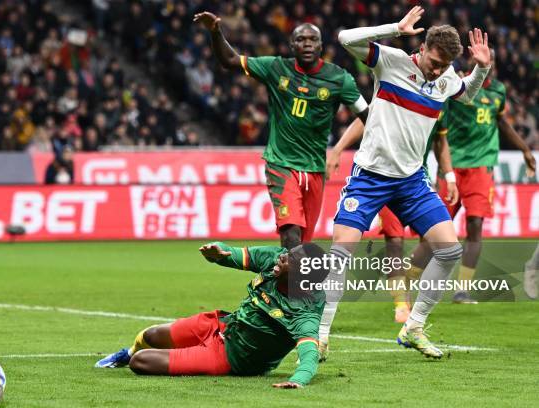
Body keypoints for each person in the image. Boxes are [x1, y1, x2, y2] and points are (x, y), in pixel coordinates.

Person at [319, 6, 492, 360]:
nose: (438, 70)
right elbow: (344, 38)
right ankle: (319, 337)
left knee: (449, 250)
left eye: (445, 65)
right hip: (369, 176)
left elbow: (468, 93)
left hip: (411, 180)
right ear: (423, 47)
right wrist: (394, 28)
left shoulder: (446, 79)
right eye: (434, 61)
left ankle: (413, 326)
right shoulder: (392, 61)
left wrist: (482, 68)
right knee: (341, 253)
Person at [194, 11, 369, 249]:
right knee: (291, 234)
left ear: (321, 46)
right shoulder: (276, 68)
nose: (307, 44)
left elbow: (367, 117)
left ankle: (280, 285)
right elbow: (230, 60)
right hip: (281, 164)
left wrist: (339, 150)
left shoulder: (339, 79)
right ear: (291, 45)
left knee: (301, 244)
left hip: (315, 169)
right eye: (300, 39)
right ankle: (299, 286)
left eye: (312, 39)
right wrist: (215, 32)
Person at [95, 242, 329, 389]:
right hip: (224, 324)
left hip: (231, 356)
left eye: (290, 259)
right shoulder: (274, 260)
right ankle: (125, 354)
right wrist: (216, 252)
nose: (282, 257)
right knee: (150, 335)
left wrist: (298, 380)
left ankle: (168, 356)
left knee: (141, 362)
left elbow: (309, 353)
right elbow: (232, 254)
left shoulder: (304, 311)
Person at [327, 104, 458, 324]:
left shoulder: (441, 99)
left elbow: (440, 140)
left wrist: (449, 176)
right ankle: (400, 305)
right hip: (380, 177)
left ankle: (406, 278)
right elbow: (364, 117)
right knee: (394, 241)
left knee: (435, 243)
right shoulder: (396, 84)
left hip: (416, 179)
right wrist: (338, 149)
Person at [435, 51, 536, 304]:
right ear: (471, 62)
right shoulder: (458, 87)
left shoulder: (498, 92)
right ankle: (413, 281)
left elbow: (502, 123)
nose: (482, 63)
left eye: (488, 59)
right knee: (435, 230)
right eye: (478, 59)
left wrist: (524, 150)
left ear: (492, 63)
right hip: (453, 167)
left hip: (481, 168)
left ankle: (462, 290)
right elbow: (438, 126)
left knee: (476, 226)